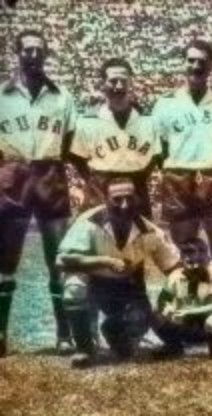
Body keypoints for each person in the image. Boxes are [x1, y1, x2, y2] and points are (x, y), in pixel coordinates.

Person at [151, 39, 212, 341]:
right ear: (183, 63)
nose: (196, 65)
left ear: (211, 65)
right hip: (179, 178)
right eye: (190, 60)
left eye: (202, 60)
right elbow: (159, 149)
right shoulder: (165, 103)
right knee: (184, 255)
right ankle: (185, 322)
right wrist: (181, 169)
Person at [0, 30, 78, 355]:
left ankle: (64, 334)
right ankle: (0, 334)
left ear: (46, 55)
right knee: (5, 259)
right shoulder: (2, 95)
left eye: (38, 50)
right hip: (13, 175)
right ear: (18, 53)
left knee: (58, 256)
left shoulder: (62, 96)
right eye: (27, 50)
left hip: (49, 174)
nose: (33, 55)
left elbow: (69, 141)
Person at [57, 178, 181, 368]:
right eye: (117, 199)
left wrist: (176, 298)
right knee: (74, 286)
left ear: (137, 199)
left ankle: (114, 331)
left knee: (135, 327)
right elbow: (62, 260)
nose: (124, 205)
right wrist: (105, 261)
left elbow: (174, 267)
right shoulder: (88, 222)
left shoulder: (149, 230)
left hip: (125, 287)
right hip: (93, 284)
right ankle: (84, 349)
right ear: (105, 199)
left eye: (129, 198)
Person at [70, 57, 160, 216]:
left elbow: (154, 157)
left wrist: (138, 177)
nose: (118, 86)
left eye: (123, 81)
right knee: (97, 231)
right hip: (100, 187)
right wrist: (93, 180)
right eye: (113, 81)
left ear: (130, 83)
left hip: (136, 186)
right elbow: (77, 158)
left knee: (140, 231)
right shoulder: (88, 121)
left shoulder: (148, 121)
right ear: (102, 84)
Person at [152, 237, 212, 361]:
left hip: (205, 323)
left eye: (191, 253)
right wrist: (167, 308)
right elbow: (162, 299)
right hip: (184, 323)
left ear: (203, 255)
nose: (188, 257)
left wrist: (188, 312)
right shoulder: (176, 275)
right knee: (155, 314)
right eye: (184, 253)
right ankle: (174, 347)